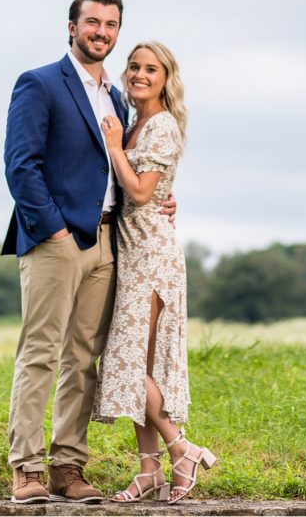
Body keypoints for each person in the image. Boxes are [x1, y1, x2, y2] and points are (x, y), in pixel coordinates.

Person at [1, 0, 177, 505]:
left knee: (84, 360)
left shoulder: (118, 98)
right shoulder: (39, 83)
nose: (102, 32)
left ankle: (68, 468)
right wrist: (53, 230)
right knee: (40, 355)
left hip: (108, 241)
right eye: (93, 22)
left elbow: (127, 168)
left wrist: (165, 199)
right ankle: (27, 471)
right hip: (57, 241)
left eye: (111, 24)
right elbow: (21, 166)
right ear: (72, 28)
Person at [92, 41, 217, 505]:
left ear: (167, 78)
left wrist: (113, 146)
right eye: (134, 66)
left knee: (129, 364)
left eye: (151, 69)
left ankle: (182, 449)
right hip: (133, 252)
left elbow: (143, 192)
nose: (140, 74)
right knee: (137, 364)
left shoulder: (161, 125)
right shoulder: (135, 118)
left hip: (152, 258)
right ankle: (150, 471)